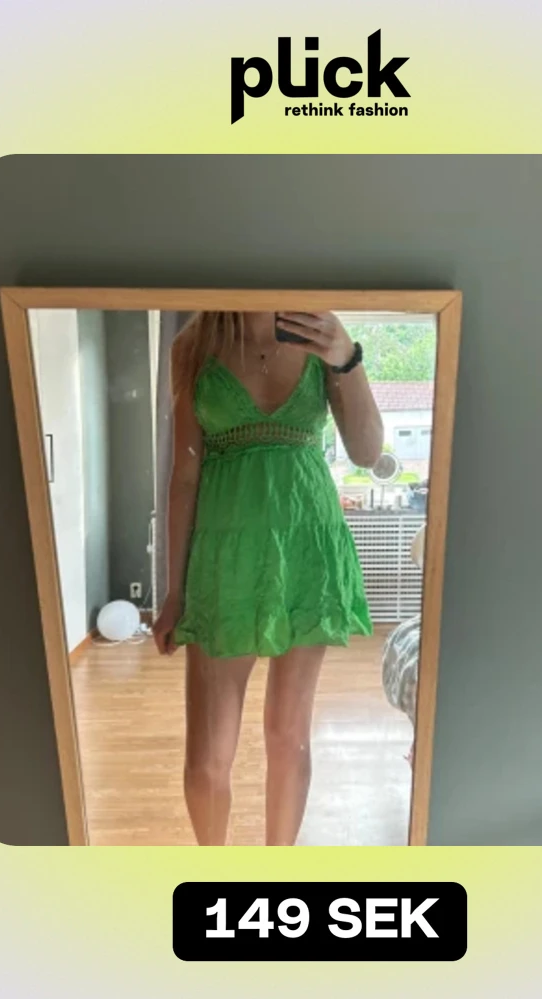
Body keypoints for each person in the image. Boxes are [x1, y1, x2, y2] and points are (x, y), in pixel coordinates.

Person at [153, 310, 383, 846]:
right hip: (223, 562)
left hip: (307, 548)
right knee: (207, 759)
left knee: (288, 735)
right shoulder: (194, 343)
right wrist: (175, 592)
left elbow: (369, 452)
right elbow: (184, 475)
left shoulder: (320, 331)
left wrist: (346, 359)